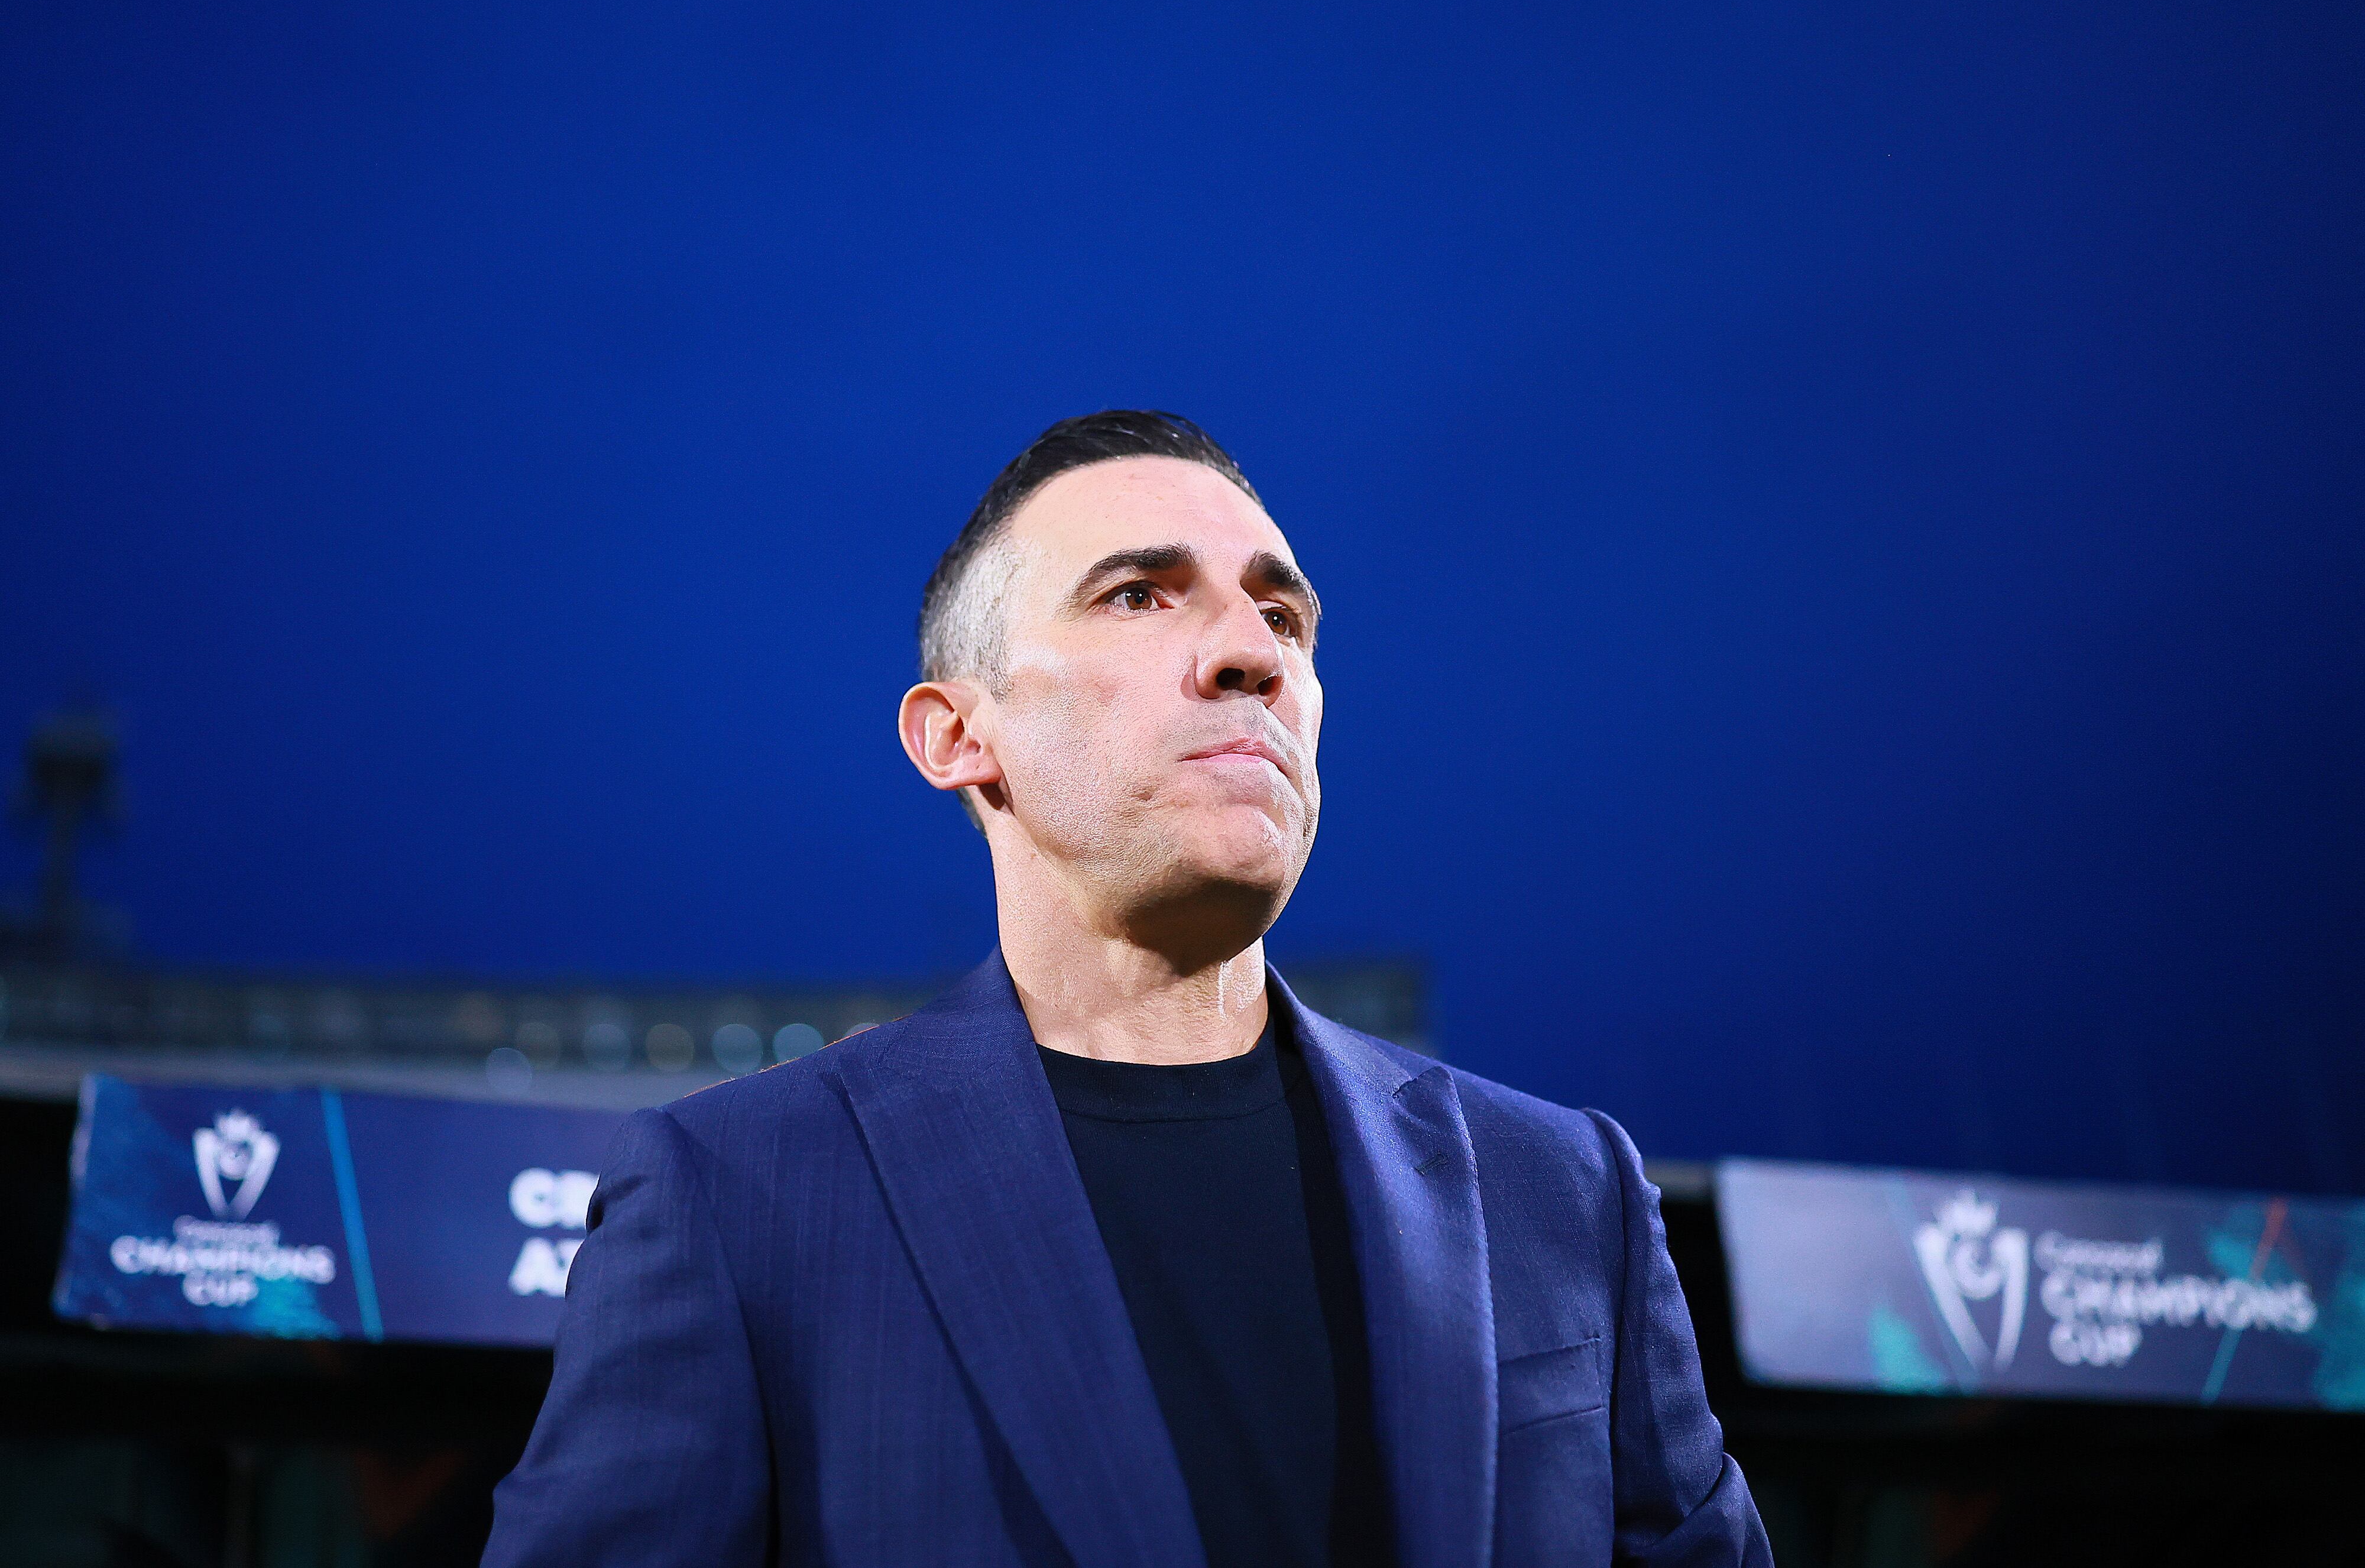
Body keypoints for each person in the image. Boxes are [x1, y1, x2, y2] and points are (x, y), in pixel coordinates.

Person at [481, 412, 1770, 1568]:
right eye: (1140, 596)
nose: (1249, 654)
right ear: (957, 733)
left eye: (1283, 617)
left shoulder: (1563, 1193)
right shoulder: (740, 1195)